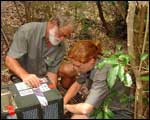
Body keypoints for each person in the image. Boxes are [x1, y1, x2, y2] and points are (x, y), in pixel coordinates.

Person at [5, 17, 74, 88]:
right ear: (51, 24)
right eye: (60, 34)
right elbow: (9, 60)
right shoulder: (27, 31)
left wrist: (52, 91)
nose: (62, 38)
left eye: (65, 36)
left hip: (41, 81)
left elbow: (52, 73)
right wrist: (25, 75)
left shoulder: (60, 47)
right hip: (20, 76)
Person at [58, 40, 110, 119]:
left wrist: (67, 107)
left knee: (76, 118)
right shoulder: (87, 66)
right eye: (73, 65)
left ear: (91, 61)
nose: (75, 68)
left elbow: (86, 109)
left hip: (111, 112)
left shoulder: (102, 73)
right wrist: (63, 102)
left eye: (78, 66)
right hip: (100, 105)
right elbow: (77, 85)